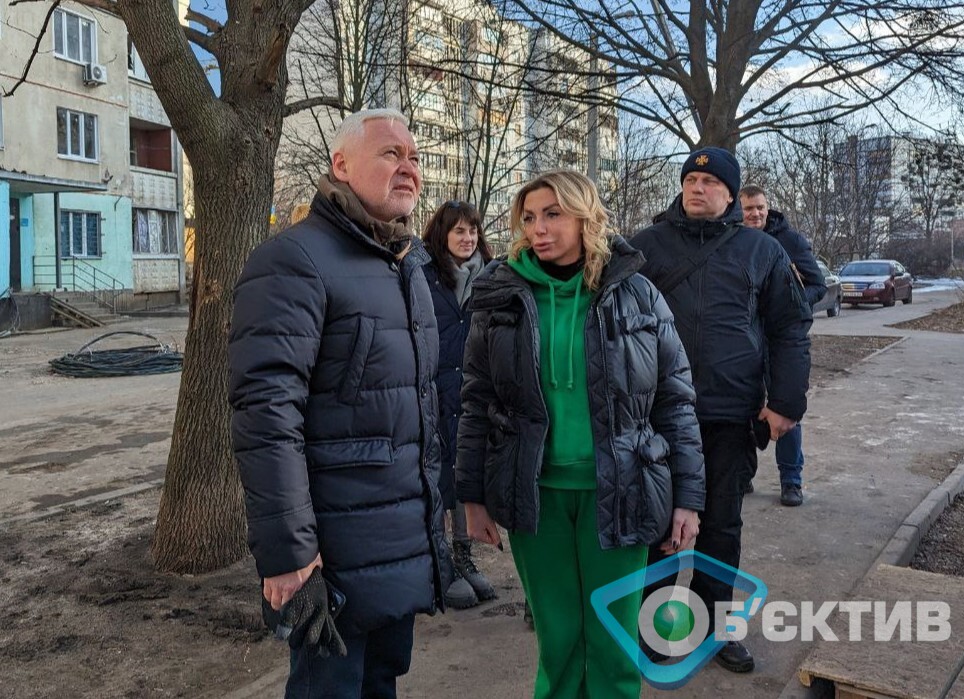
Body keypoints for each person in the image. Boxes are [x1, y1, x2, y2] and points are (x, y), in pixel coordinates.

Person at [228, 108, 452, 698]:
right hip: (330, 555)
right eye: (389, 154)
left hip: (396, 542)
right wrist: (289, 555)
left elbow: (417, 415)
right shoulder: (294, 261)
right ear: (341, 164)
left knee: (381, 683)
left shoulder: (406, 267)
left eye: (414, 157)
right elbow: (267, 417)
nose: (408, 168)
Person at [456, 170, 706, 698]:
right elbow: (476, 402)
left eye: (552, 214)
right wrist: (471, 497)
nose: (538, 228)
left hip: (621, 492)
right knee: (559, 637)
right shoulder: (500, 297)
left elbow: (675, 401)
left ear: (584, 216)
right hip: (536, 497)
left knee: (613, 643)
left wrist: (688, 498)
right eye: (528, 217)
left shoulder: (637, 295)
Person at [630, 148, 811, 673]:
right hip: (655, 417)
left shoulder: (761, 250)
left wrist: (785, 402)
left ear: (731, 194)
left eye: (709, 180)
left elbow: (789, 328)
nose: (697, 187)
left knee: (721, 529)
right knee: (657, 528)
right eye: (691, 178)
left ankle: (716, 630)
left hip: (729, 416)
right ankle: (652, 628)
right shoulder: (647, 246)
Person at [421, 200, 496, 609]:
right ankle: (441, 563)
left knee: (467, 476)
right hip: (434, 392)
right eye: (459, 232)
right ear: (443, 235)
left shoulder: (490, 277)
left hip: (472, 393)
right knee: (437, 478)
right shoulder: (425, 276)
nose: (467, 239)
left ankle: (464, 557)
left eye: (472, 231)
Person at [739, 184, 826, 507]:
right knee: (743, 409)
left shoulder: (789, 241)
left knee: (785, 408)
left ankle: (791, 480)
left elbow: (817, 285)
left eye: (760, 207)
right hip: (743, 341)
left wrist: (790, 304)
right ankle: (743, 474)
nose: (755, 213)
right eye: (748, 208)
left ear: (768, 208)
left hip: (779, 342)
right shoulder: (733, 239)